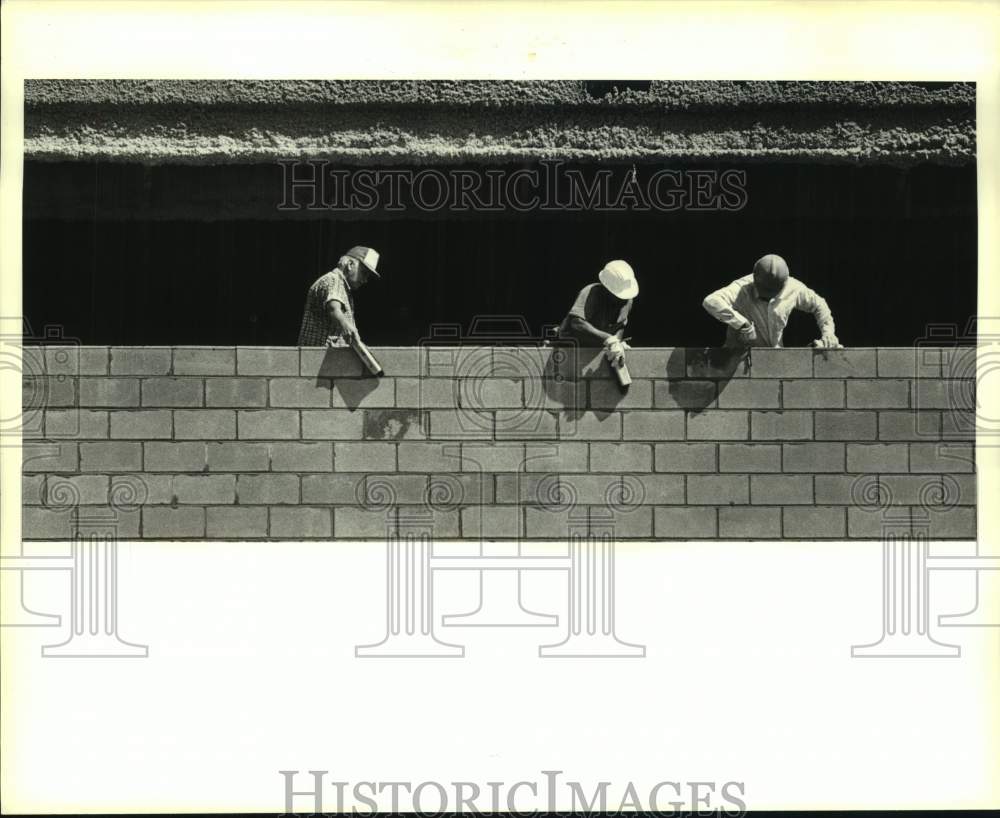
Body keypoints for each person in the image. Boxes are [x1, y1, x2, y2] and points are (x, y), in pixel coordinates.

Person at [702, 253, 841, 348]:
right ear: (755, 279)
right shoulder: (742, 288)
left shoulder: (793, 287)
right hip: (737, 360)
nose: (768, 298)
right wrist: (742, 324)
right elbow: (711, 301)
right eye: (765, 293)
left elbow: (819, 305)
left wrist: (828, 333)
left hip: (773, 359)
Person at [297, 246, 381, 347]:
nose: (365, 280)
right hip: (315, 357)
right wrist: (348, 327)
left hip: (321, 357)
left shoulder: (341, 285)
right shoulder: (333, 280)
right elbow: (334, 309)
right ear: (350, 264)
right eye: (364, 273)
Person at [558, 259, 639, 363]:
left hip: (598, 353)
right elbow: (576, 323)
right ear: (607, 289)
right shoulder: (591, 293)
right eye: (618, 296)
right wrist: (608, 338)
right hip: (570, 351)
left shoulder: (628, 301)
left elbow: (620, 326)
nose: (622, 300)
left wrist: (617, 343)